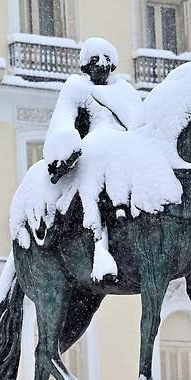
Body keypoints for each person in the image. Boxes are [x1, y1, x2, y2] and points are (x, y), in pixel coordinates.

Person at [43, 38, 143, 282]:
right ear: (86, 65)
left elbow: (142, 126)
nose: (103, 65)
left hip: (126, 153)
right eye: (96, 60)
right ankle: (100, 249)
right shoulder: (77, 88)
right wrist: (66, 146)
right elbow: (63, 121)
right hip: (93, 151)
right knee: (94, 178)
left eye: (107, 60)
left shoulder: (125, 91)